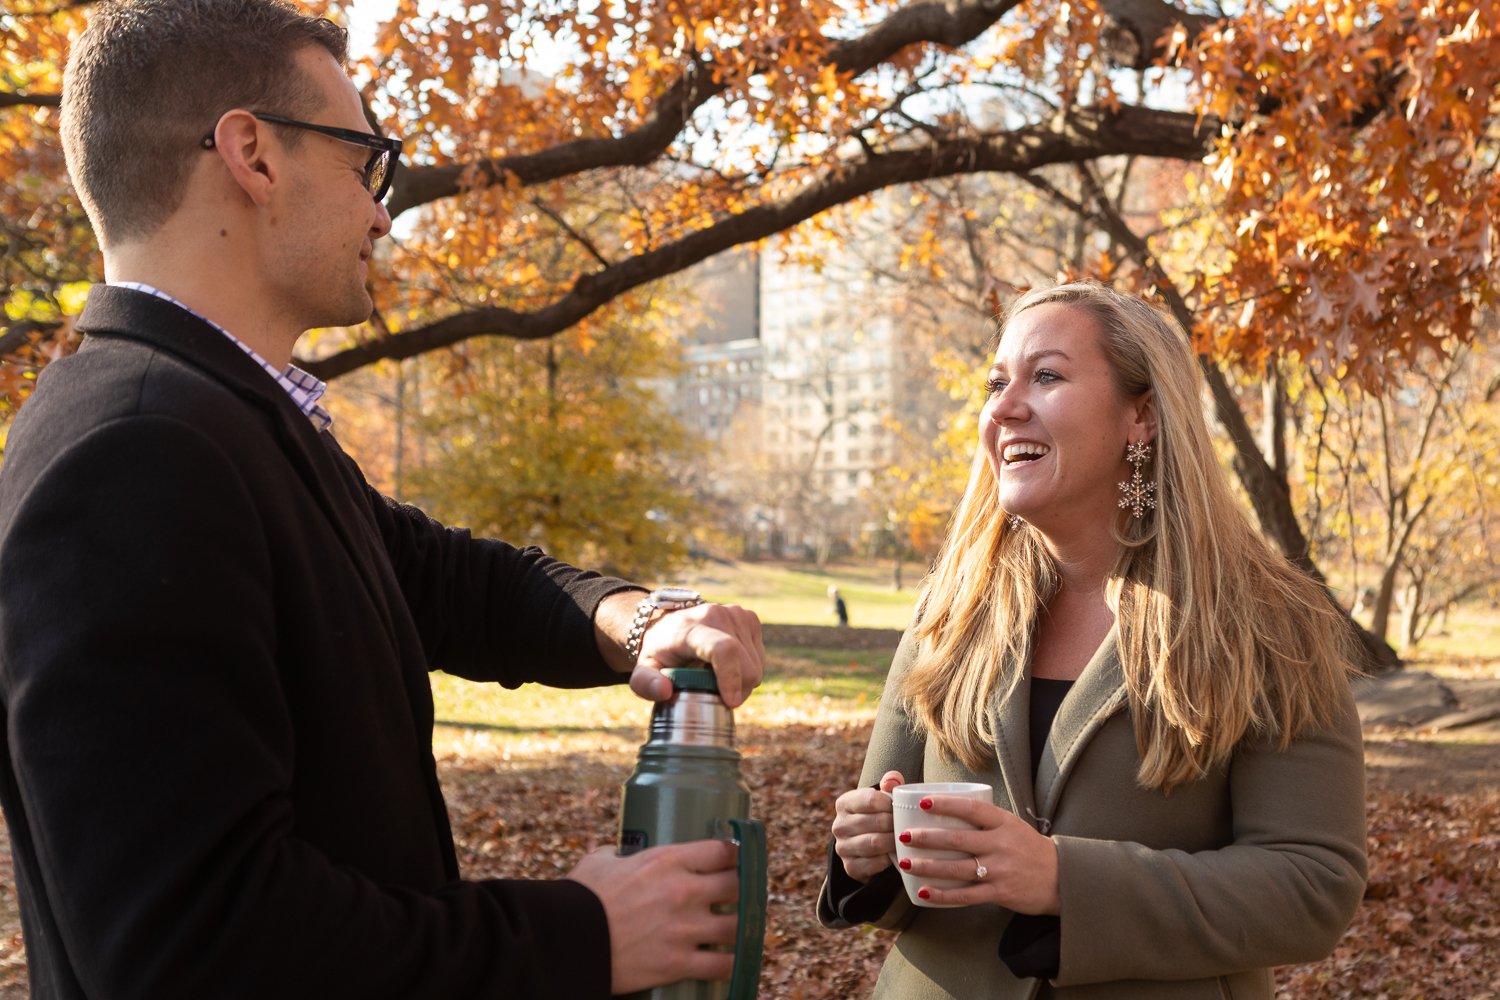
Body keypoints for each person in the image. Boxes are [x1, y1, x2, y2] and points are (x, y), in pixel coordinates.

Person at [0, 2, 765, 997]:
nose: (381, 212)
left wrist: (635, 620)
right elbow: (195, 944)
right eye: (365, 161)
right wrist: (579, 932)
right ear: (253, 154)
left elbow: (428, 576)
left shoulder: (219, 420)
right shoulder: (135, 452)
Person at [818, 282, 1366, 998]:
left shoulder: (1269, 625)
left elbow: (1312, 886)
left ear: (1141, 415)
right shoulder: (947, 613)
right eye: (997, 381)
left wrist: (1063, 880)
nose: (1005, 405)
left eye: (1045, 376)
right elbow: (891, 858)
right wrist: (867, 856)